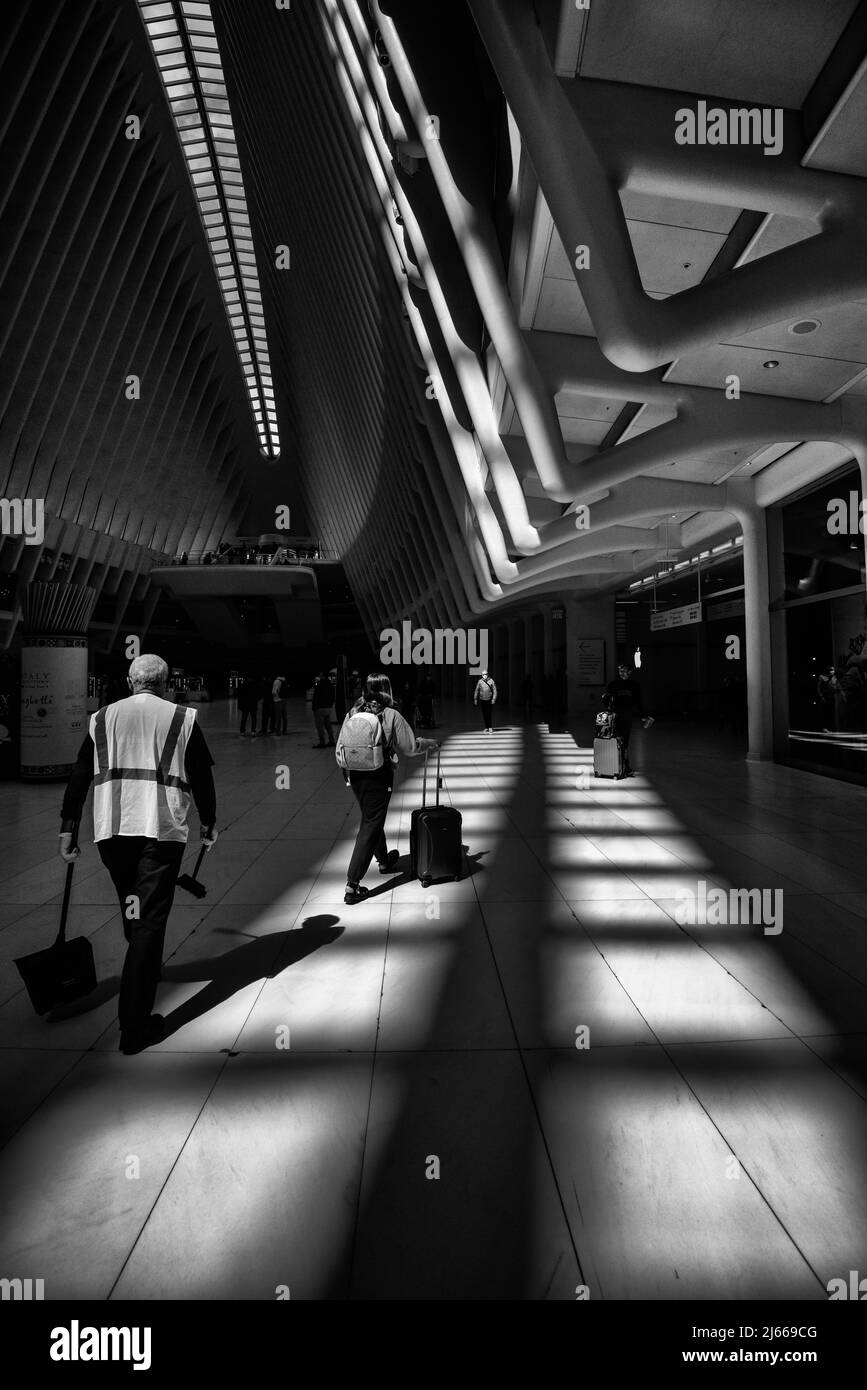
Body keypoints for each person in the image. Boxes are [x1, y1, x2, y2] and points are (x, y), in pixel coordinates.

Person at [57, 654, 217, 1055]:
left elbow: (79, 773)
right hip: (160, 829)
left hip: (111, 829)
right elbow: (201, 773)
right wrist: (209, 823)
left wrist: (67, 826)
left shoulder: (102, 717)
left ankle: (140, 963)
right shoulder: (182, 717)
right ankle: (134, 1026)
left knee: (133, 904)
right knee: (149, 923)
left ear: (131, 681)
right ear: (164, 683)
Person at [338, 673, 437, 904]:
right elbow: (411, 747)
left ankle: (383, 860)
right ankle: (352, 885)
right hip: (378, 775)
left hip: (355, 774)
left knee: (371, 817)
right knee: (371, 822)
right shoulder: (391, 714)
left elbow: (340, 744)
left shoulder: (353, 712)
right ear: (387, 689)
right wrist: (428, 743)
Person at [605, 662, 652, 776]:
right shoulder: (613, 684)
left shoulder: (634, 686)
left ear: (630, 672)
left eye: (625, 671)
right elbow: (607, 701)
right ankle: (614, 766)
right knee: (614, 741)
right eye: (621, 671)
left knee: (624, 742)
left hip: (627, 716)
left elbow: (638, 702)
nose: (623, 673)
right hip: (615, 715)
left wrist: (643, 716)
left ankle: (624, 767)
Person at [311, 671, 335, 747]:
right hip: (328, 708)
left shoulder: (319, 685)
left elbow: (316, 697)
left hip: (320, 708)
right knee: (328, 725)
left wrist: (314, 707)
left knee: (320, 726)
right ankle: (331, 740)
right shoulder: (330, 685)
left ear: (322, 676)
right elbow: (332, 696)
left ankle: (322, 742)